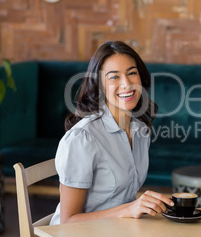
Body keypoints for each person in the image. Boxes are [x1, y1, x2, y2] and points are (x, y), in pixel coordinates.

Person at [50, 41, 173, 225]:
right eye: (114, 77)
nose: (127, 84)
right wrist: (130, 209)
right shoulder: (83, 138)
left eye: (132, 73)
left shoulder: (140, 130)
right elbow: (67, 222)